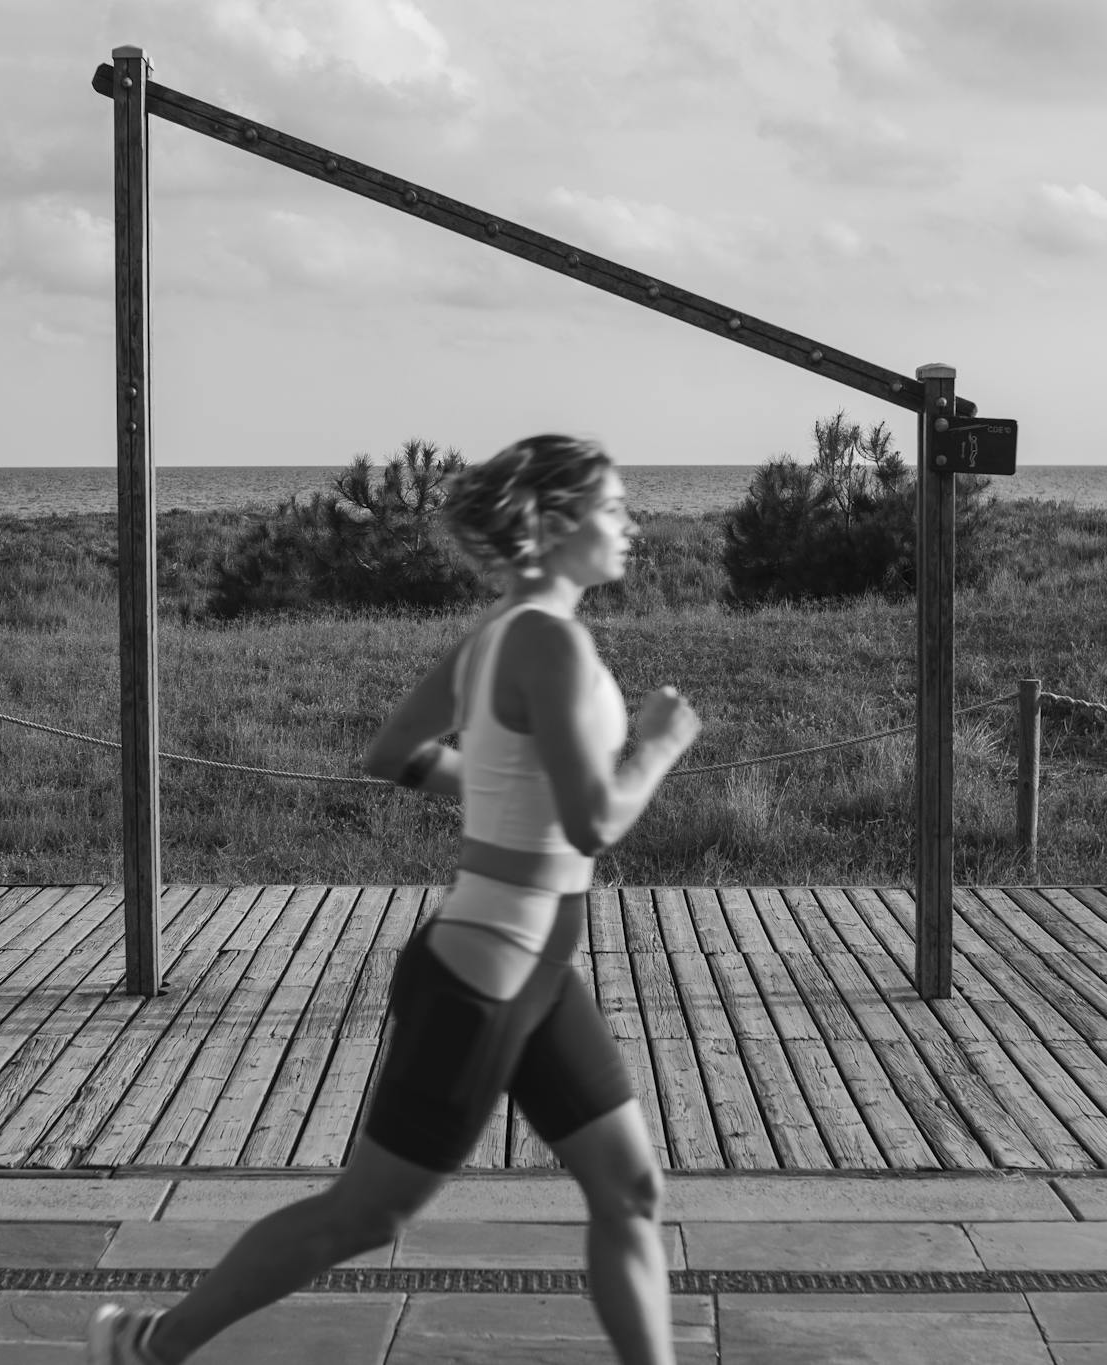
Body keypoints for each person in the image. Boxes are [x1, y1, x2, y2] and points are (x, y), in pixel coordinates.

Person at [88, 433, 703, 1365]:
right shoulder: (550, 644)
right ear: (556, 521)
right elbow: (590, 826)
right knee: (365, 1212)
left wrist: (504, 793)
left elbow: (398, 756)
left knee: (629, 1190)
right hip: (482, 976)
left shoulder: (499, 632)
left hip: (534, 969)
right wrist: (658, 745)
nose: (632, 524)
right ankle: (149, 1343)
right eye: (616, 507)